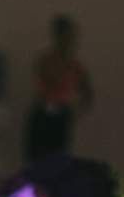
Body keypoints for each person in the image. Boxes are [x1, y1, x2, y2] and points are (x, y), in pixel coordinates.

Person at [24, 16, 94, 161]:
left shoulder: (75, 66)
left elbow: (87, 91)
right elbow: (44, 83)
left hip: (61, 115)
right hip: (43, 113)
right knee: (37, 156)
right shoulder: (46, 61)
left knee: (58, 158)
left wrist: (74, 109)